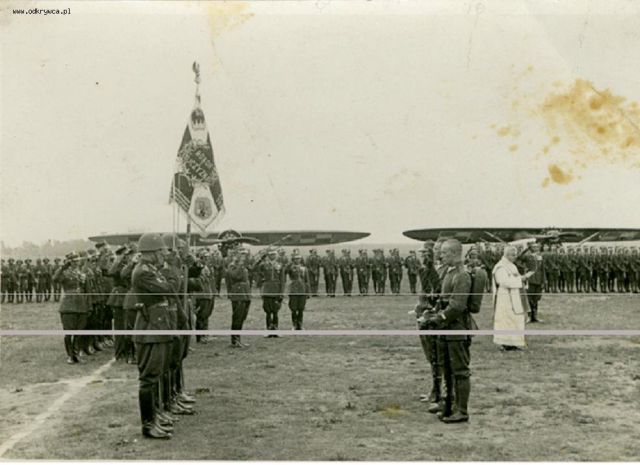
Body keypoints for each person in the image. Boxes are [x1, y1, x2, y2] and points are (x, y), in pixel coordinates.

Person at [421, 239, 475, 423]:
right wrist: (433, 313)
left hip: (456, 329)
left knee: (460, 370)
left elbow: (457, 305)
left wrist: (439, 318)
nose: (441, 255)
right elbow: (443, 299)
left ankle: (462, 410)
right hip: (447, 328)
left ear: (454, 253)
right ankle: (449, 405)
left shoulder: (462, 275)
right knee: (448, 369)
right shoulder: (450, 272)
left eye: (444, 253)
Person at [131, 233, 176, 440]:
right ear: (150, 252)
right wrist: (170, 275)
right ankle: (148, 424)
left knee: (156, 373)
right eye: (160, 251)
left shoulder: (150, 269)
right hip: (151, 328)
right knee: (149, 377)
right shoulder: (143, 272)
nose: (163, 255)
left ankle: (155, 417)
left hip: (157, 325)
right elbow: (169, 288)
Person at [492, 245, 534, 351]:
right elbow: (503, 282)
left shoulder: (512, 265)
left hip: (515, 295)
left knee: (516, 319)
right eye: (513, 255)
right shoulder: (500, 267)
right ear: (507, 255)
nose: (515, 257)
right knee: (506, 319)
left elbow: (515, 277)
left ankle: (514, 342)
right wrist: (521, 279)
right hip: (505, 297)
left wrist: (522, 278)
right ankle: (505, 343)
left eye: (515, 255)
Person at [53, 252, 89, 364]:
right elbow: (55, 278)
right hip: (68, 305)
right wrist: (62, 267)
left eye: (77, 261)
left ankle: (76, 354)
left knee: (80, 331)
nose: (76, 263)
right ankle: (70, 355)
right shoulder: (65, 273)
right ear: (70, 262)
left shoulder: (80, 272)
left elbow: (85, 288)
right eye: (74, 261)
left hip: (81, 304)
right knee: (69, 332)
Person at [255, 249, 285, 335]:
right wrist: (261, 258)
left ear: (276, 255)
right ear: (268, 256)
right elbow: (255, 268)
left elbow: (282, 279)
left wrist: (281, 292)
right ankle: (268, 328)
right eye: (271, 255)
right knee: (268, 311)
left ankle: (275, 328)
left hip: (276, 289)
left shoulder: (280, 265)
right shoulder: (263, 265)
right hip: (267, 290)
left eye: (274, 254)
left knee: (275, 310)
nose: (272, 256)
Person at [225, 248, 251, 347]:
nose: (244, 256)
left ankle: (238, 338)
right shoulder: (232, 265)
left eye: (245, 254)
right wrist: (240, 264)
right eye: (242, 254)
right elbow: (235, 276)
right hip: (238, 293)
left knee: (242, 316)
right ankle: (235, 340)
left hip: (245, 293)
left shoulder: (242, 265)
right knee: (237, 317)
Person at [285, 251, 311, 330]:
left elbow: (307, 281)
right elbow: (285, 271)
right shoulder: (291, 268)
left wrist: (308, 292)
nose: (297, 260)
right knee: (293, 308)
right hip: (293, 290)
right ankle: (294, 324)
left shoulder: (304, 268)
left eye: (299, 258)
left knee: (301, 308)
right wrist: (289, 263)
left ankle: (300, 324)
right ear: (293, 259)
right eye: (295, 259)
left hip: (302, 290)